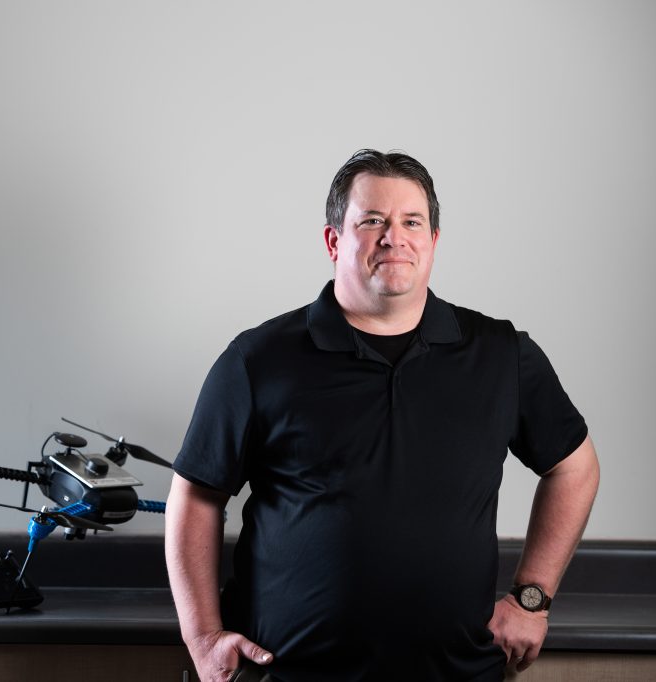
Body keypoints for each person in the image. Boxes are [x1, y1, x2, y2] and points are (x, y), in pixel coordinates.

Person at [164, 149, 600, 682]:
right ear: (333, 241)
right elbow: (196, 494)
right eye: (372, 221)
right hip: (288, 672)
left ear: (433, 241)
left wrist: (531, 597)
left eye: (411, 222)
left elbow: (574, 467)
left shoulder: (502, 355)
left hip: (456, 673)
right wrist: (203, 636)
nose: (394, 237)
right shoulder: (258, 360)